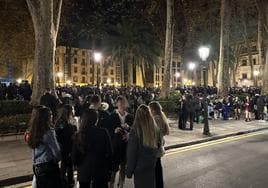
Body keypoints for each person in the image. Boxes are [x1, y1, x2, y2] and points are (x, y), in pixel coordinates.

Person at [72, 109, 113, 188]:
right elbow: (110, 153)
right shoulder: (103, 132)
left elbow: (74, 158)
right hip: (100, 172)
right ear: (96, 120)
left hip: (84, 173)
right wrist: (109, 169)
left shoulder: (79, 135)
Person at [26, 106, 62, 188]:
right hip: (48, 167)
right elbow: (56, 152)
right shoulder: (48, 132)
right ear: (46, 117)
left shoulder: (32, 131)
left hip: (36, 166)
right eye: (50, 114)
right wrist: (57, 159)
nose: (52, 116)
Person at [126, 104, 160, 188]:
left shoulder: (135, 131)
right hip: (151, 166)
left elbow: (131, 153)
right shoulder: (154, 129)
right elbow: (158, 145)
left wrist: (129, 171)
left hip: (140, 169)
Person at [109, 96, 134, 188]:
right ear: (117, 104)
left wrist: (129, 130)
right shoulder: (112, 116)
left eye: (123, 103)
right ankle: (111, 184)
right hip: (115, 145)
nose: (122, 105)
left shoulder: (130, 117)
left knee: (123, 166)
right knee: (113, 168)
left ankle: (121, 184)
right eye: (120, 103)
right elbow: (108, 130)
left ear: (126, 104)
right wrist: (114, 131)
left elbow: (134, 131)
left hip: (125, 145)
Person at [55, 105, 77, 188]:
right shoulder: (61, 122)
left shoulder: (67, 121)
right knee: (65, 165)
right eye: (72, 110)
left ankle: (70, 181)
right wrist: (72, 128)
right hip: (64, 147)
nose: (73, 112)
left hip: (69, 146)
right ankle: (63, 181)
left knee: (69, 165)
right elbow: (60, 131)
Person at [149, 101, 169, 188]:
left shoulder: (156, 118)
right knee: (157, 169)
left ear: (153, 110)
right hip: (158, 148)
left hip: (155, 148)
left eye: (149, 109)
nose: (149, 111)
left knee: (156, 171)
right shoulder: (159, 117)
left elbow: (154, 133)